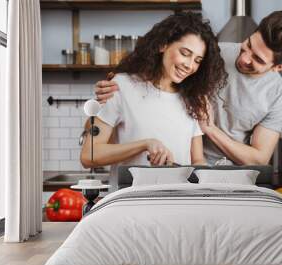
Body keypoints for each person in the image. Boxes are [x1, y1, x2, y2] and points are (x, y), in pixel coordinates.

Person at [94, 11, 282, 166]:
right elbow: (159, 68)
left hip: (227, 173)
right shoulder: (211, 54)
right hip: (178, 163)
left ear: (278, 67)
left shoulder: (277, 94)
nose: (244, 58)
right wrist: (120, 80)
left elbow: (259, 159)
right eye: (248, 44)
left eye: (258, 60)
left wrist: (210, 129)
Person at [80, 12, 227, 189]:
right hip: (131, 204)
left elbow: (197, 160)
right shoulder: (121, 86)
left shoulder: (193, 98)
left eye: (197, 60)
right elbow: (89, 155)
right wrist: (145, 144)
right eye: (185, 53)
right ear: (163, 45)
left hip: (178, 202)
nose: (190, 65)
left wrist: (214, 178)